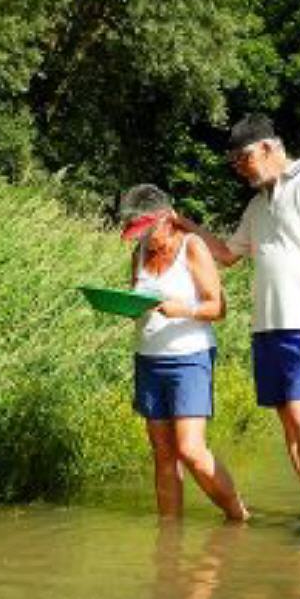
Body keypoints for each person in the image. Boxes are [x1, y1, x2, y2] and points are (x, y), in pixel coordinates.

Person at [174, 113, 300, 539]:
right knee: (288, 420)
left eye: (243, 159)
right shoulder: (257, 205)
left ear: (268, 147)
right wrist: (185, 225)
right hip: (268, 326)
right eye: (234, 163)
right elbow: (228, 254)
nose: (240, 169)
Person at [120, 184, 249, 522]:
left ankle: (237, 515)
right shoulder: (139, 253)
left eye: (146, 231)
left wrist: (184, 310)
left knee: (190, 450)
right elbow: (137, 300)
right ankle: (169, 535)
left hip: (189, 358)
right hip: (148, 358)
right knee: (163, 453)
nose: (141, 239)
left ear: (165, 219)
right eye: (136, 233)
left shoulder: (193, 247)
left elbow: (218, 308)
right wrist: (126, 305)